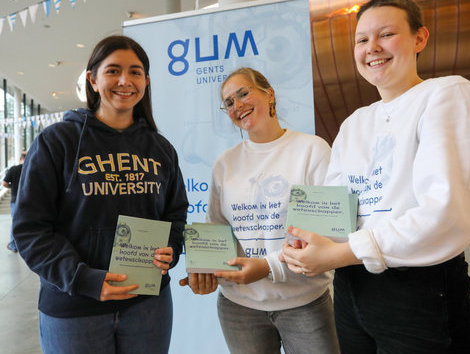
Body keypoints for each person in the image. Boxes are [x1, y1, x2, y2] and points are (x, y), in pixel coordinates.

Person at [282, 0, 470, 354]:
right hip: (351, 288)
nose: (372, 48)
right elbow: (334, 210)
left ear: (420, 38)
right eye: (361, 40)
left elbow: (447, 214)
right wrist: (306, 241)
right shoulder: (355, 122)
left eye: (386, 34)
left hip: (418, 288)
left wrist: (338, 254)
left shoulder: (446, 94)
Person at [12, 35, 188, 354]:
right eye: (113, 71)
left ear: (146, 81)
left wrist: (170, 250)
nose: (125, 80)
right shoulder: (56, 142)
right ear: (93, 79)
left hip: (148, 306)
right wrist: (85, 280)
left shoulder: (161, 149)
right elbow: (30, 229)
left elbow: (175, 215)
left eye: (135, 72)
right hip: (74, 307)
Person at [180, 67, 340, 354]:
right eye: (229, 102)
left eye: (243, 93)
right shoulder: (225, 163)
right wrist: (202, 270)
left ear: (269, 95)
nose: (237, 105)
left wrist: (269, 266)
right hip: (239, 309)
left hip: (305, 304)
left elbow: (326, 237)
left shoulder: (312, 150)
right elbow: (216, 229)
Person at [2, 151, 27, 252]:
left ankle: (13, 245)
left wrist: (11, 186)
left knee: (15, 222)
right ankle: (26, 245)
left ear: (20, 158)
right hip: (28, 200)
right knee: (29, 222)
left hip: (15, 199)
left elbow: (4, 183)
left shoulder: (13, 169)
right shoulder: (30, 169)